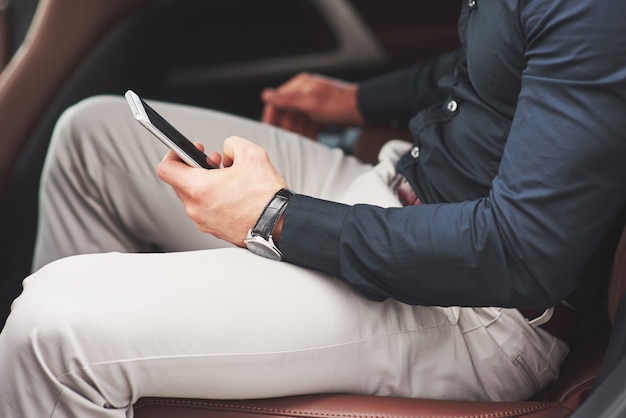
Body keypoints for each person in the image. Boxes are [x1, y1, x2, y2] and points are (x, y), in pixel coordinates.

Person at [1, 0, 625, 416]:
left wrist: (275, 217)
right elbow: (495, 68)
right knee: (93, 137)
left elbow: (516, 257)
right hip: (398, 187)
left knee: (51, 328)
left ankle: (67, 374)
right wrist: (355, 100)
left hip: (476, 304)